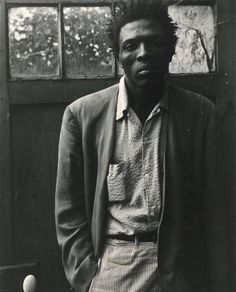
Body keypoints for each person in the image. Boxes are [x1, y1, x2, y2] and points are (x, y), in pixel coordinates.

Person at [55, 1, 227, 291]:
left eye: (154, 43)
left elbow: (215, 209)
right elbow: (67, 210)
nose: (143, 53)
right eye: (131, 45)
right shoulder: (82, 115)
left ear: (171, 51)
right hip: (109, 267)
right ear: (119, 55)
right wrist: (87, 275)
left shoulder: (200, 113)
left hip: (176, 270)